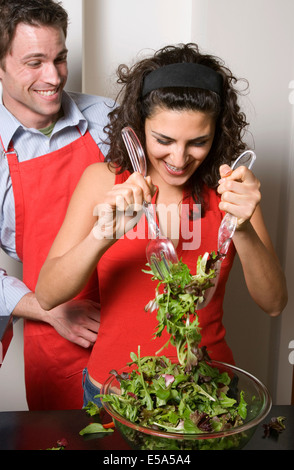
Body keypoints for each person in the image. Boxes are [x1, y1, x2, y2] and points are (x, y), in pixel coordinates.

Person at [35, 43, 288, 407]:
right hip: (115, 395)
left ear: (217, 133)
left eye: (198, 142)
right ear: (139, 126)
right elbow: (47, 295)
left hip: (207, 395)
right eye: (164, 140)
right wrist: (103, 234)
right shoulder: (104, 182)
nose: (179, 158)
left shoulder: (233, 190)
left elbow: (275, 303)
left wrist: (243, 227)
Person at [0, 0, 114, 410]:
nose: (53, 77)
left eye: (60, 58)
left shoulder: (108, 120)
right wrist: (48, 311)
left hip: (130, 319)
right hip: (55, 332)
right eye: (35, 62)